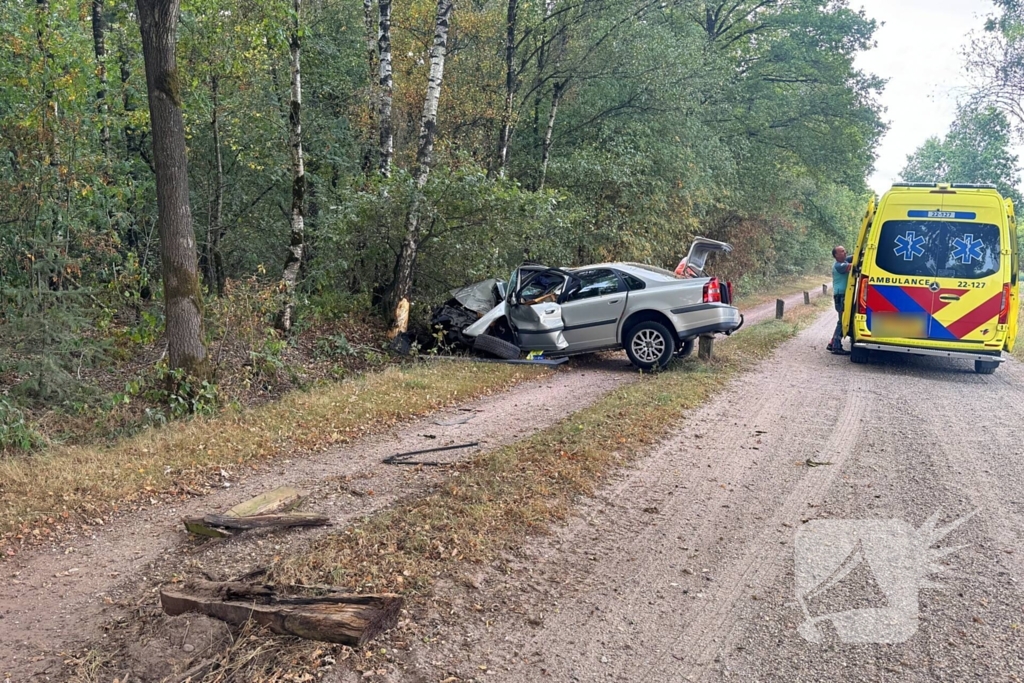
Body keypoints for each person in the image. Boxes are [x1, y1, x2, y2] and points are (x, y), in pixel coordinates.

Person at [828, 246, 854, 354]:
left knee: (841, 320)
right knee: (842, 321)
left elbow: (852, 257)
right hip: (841, 297)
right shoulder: (839, 266)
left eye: (844, 251)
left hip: (843, 295)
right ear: (836, 255)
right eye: (842, 251)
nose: (845, 252)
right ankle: (836, 346)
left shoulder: (843, 261)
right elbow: (853, 265)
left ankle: (832, 343)